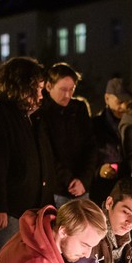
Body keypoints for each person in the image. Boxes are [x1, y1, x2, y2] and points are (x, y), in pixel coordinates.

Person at [0, 56, 54, 263]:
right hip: (4, 212)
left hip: (25, 209)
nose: (41, 96)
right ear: (22, 86)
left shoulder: (29, 116)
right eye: (38, 89)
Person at [40, 63, 96, 207]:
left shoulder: (78, 108)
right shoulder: (41, 113)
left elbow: (90, 146)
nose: (67, 95)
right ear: (48, 86)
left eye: (72, 90)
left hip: (82, 187)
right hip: (57, 189)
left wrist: (84, 180)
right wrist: (69, 180)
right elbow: (48, 154)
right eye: (63, 89)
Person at [89, 77, 132, 204]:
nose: (123, 106)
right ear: (107, 98)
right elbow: (86, 157)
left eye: (127, 101)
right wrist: (98, 171)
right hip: (102, 190)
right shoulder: (94, 125)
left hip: (126, 190)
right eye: (119, 101)